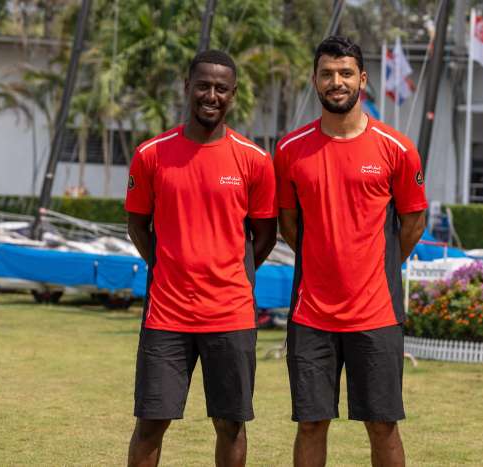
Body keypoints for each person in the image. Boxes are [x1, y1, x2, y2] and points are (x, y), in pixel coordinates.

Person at [274, 36, 427, 467]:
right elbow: (288, 224)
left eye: (345, 73)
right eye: (327, 74)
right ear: (314, 80)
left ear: (362, 78)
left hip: (376, 314)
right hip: (311, 315)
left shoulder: (397, 148)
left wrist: (376, 267)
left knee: (382, 424)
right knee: (310, 424)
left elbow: (413, 223)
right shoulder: (289, 150)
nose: (336, 82)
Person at [125, 50, 278, 467]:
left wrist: (231, 273)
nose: (212, 95)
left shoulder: (254, 160)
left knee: (230, 424)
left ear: (233, 94)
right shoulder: (151, 154)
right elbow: (137, 225)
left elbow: (265, 234)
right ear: (186, 87)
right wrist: (167, 266)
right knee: (151, 422)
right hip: (166, 315)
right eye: (203, 86)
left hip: (230, 314)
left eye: (221, 88)